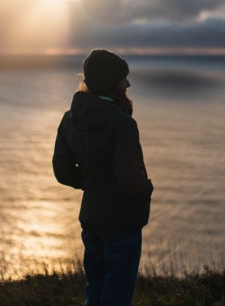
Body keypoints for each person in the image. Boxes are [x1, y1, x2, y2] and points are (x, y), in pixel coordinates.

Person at [53, 49, 154, 306]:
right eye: (123, 79)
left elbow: (63, 171)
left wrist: (93, 184)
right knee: (116, 297)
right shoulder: (122, 124)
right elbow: (131, 183)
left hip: (92, 215)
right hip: (121, 221)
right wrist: (147, 189)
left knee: (95, 292)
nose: (128, 84)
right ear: (112, 83)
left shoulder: (69, 119)